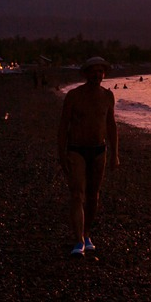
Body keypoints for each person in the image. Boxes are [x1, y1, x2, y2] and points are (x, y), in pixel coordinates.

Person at [58, 57, 120, 257]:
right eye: (93, 71)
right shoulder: (74, 96)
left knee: (93, 196)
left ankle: (86, 234)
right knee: (77, 194)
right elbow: (63, 126)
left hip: (99, 150)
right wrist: (61, 153)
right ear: (85, 74)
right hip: (76, 149)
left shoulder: (108, 96)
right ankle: (77, 241)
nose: (97, 74)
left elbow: (111, 125)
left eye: (100, 71)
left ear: (104, 74)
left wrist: (115, 154)